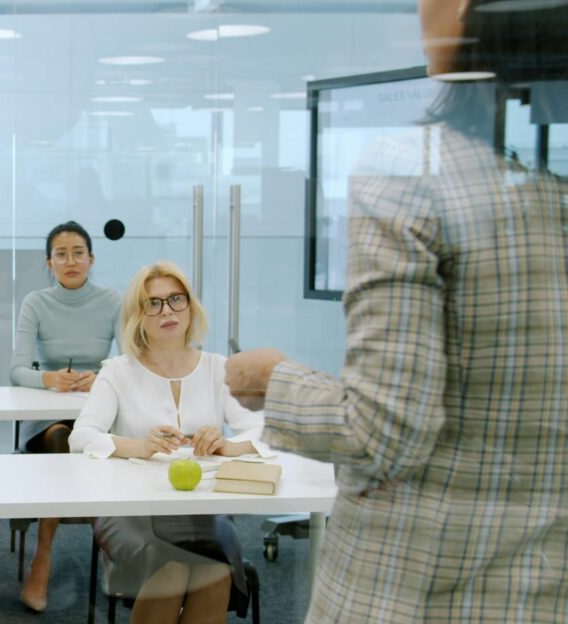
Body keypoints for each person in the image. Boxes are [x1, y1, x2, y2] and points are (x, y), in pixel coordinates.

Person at [225, 2, 568, 621]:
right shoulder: (547, 191)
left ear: (465, 14)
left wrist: (274, 380)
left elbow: (383, 431)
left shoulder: (411, 173)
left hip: (415, 588)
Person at [69, 261, 267, 624]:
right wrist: (137, 447)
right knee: (170, 566)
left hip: (202, 507)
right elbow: (81, 437)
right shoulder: (118, 370)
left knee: (214, 568)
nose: (168, 311)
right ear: (137, 316)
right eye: (154, 303)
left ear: (190, 307)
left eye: (176, 299)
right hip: (129, 507)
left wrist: (229, 444)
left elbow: (261, 430)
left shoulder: (215, 368)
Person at [8, 221, 121, 612]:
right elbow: (17, 370)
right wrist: (50, 378)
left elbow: (130, 361)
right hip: (49, 416)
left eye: (78, 253)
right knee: (61, 442)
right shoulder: (36, 302)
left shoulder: (113, 301)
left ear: (91, 259)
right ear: (49, 262)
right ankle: (44, 557)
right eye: (61, 254)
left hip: (100, 411)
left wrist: (103, 375)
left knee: (94, 442)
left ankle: (109, 551)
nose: (70, 261)